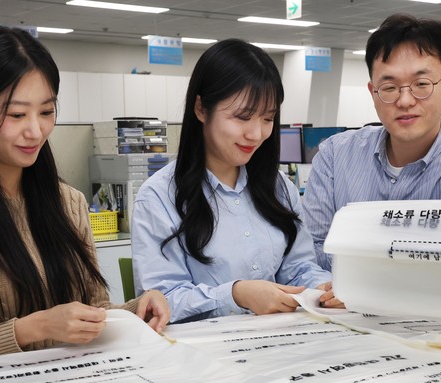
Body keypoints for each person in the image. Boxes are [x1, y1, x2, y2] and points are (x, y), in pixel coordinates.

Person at [0, 27, 169, 370]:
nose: (35, 131)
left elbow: (93, 312)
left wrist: (138, 309)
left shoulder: (68, 203)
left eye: (47, 112)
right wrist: (33, 328)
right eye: (16, 114)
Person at [131, 39, 341, 323]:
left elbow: (299, 269)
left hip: (278, 340)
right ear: (201, 109)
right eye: (242, 117)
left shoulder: (280, 188)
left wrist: (324, 288)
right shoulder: (159, 197)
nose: (255, 134)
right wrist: (235, 295)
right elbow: (162, 301)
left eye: (267, 118)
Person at [302, 13, 441, 271]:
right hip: (344, 298)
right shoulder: (335, 155)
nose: (404, 101)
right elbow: (313, 249)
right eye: (389, 88)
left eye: (421, 84)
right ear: (373, 93)